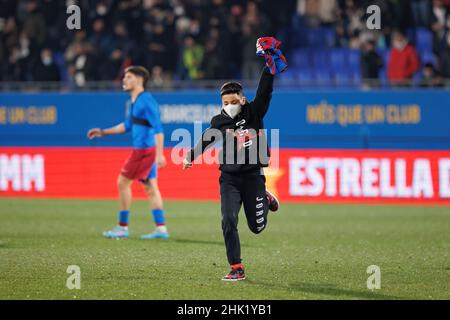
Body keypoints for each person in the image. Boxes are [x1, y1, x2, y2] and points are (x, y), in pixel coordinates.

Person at [182, 38, 286, 281]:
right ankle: (236, 267)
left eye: (232, 101)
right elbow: (207, 139)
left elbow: (265, 90)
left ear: (241, 98)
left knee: (257, 227)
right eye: (224, 102)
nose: (228, 106)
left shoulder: (254, 111)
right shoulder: (219, 121)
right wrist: (191, 155)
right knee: (228, 220)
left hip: (252, 177)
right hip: (228, 178)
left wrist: (267, 67)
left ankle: (265, 196)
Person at [87, 66, 169, 240]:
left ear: (139, 80)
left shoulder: (145, 100)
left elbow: (159, 129)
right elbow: (126, 126)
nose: (124, 80)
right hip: (147, 150)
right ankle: (161, 229)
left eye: (129, 77)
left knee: (122, 183)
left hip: (144, 151)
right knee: (150, 188)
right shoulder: (136, 101)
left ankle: (122, 227)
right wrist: (103, 132)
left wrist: (160, 154)